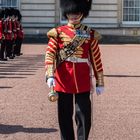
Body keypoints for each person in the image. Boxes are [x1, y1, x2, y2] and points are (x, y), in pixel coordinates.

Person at [45, 0, 104, 139]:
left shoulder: (89, 34)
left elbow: (96, 58)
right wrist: (49, 75)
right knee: (64, 115)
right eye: (71, 12)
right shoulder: (57, 33)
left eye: (77, 12)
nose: (73, 15)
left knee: (84, 115)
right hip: (63, 78)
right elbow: (50, 54)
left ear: (82, 13)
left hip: (82, 79)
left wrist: (100, 81)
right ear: (66, 13)